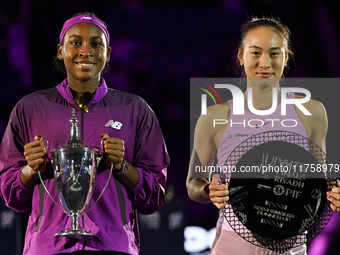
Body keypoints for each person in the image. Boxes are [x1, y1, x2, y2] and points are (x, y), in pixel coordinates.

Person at [0, 12, 170, 255]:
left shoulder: (136, 110)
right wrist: (30, 168)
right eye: (76, 42)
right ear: (60, 50)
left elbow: (154, 196)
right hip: (48, 248)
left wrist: (122, 166)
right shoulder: (30, 108)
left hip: (112, 246)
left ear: (108, 53)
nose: (85, 51)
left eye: (96, 43)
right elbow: (9, 194)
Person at [186, 16, 340, 255]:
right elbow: (193, 184)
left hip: (291, 245)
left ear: (286, 57)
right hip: (233, 244)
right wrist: (209, 191)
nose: (264, 62)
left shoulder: (313, 112)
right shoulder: (214, 116)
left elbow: (317, 183)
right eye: (255, 52)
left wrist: (334, 191)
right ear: (240, 56)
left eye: (274, 53)